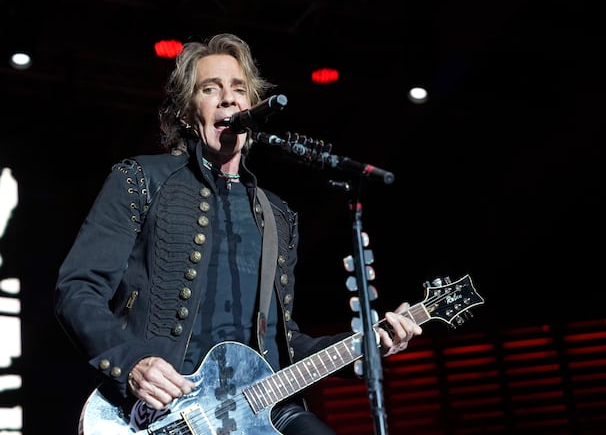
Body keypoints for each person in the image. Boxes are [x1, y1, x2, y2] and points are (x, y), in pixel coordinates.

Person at [54, 32, 423, 435]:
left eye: (239, 90)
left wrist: (366, 345)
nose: (228, 99)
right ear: (185, 112)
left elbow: (283, 342)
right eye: (210, 89)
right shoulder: (141, 180)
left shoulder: (277, 215)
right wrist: (131, 363)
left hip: (264, 408)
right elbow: (77, 289)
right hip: (160, 414)